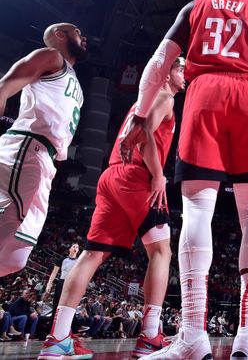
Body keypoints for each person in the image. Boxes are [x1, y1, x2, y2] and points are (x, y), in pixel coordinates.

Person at [121, 0, 248, 360]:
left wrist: (140, 113)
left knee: (197, 214)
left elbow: (159, 61)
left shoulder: (195, 5)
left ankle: (191, 336)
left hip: (204, 97)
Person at [38, 57, 185, 359]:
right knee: (161, 252)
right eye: (180, 68)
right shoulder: (164, 96)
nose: (186, 74)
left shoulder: (142, 100)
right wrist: (157, 175)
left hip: (112, 176)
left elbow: (134, 133)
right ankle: (150, 336)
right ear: (165, 72)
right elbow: (144, 139)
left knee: (92, 254)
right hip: (136, 177)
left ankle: (58, 337)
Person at [0, 23, 87, 276]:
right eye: (78, 32)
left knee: (15, 258)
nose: (84, 37)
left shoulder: (74, 81)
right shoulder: (51, 56)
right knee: (5, 225)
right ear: (60, 35)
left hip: (46, 161)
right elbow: (4, 87)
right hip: (27, 148)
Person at [45, 243, 80, 310]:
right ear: (70, 249)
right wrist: (49, 284)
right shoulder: (62, 259)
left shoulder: (78, 262)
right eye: (73, 246)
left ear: (78, 250)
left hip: (71, 284)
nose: (75, 248)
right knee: (56, 304)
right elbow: (54, 273)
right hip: (61, 282)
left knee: (67, 305)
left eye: (77, 247)